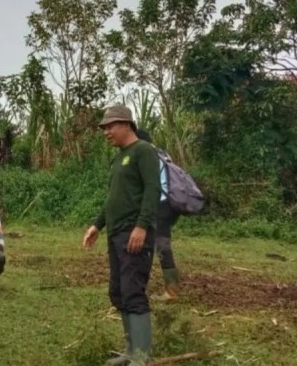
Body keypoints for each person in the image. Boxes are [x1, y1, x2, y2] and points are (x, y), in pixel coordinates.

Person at [82, 106, 161, 365]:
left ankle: (141, 357)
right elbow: (114, 198)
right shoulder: (119, 158)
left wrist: (142, 226)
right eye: (104, 127)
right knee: (118, 292)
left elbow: (153, 190)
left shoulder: (144, 151)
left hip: (133, 233)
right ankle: (130, 350)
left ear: (126, 124)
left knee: (133, 291)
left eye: (110, 126)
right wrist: (97, 225)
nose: (106, 132)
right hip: (115, 234)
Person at [135, 129, 181, 301]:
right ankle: (143, 283)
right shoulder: (162, 153)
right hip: (169, 203)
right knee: (153, 242)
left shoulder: (147, 155)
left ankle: (172, 291)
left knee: (161, 245)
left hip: (159, 204)